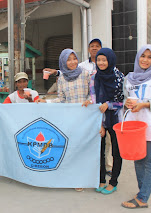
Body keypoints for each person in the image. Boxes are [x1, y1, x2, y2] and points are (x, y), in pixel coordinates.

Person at [37, 49, 91, 192]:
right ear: (63, 62)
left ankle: (82, 179)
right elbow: (61, 100)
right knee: (70, 149)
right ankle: (72, 178)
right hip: (70, 120)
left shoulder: (86, 74)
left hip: (85, 119)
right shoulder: (61, 79)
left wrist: (90, 101)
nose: (73, 62)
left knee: (83, 150)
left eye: (74, 58)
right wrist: (46, 102)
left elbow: (93, 94)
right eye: (69, 59)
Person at [121, 45, 151, 209]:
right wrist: (127, 103)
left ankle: (142, 198)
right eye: (143, 56)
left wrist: (144, 104)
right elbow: (126, 99)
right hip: (133, 125)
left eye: (149, 57)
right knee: (138, 159)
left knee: (149, 162)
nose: (145, 60)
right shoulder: (129, 78)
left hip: (150, 124)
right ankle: (143, 192)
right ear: (137, 57)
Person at [85, 48, 124, 195]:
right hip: (100, 118)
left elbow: (122, 100)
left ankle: (113, 182)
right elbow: (94, 98)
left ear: (110, 60)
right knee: (99, 151)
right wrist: (99, 122)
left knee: (116, 151)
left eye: (104, 60)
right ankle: (101, 179)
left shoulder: (119, 76)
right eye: (99, 60)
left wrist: (109, 104)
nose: (101, 63)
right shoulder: (95, 77)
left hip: (115, 119)